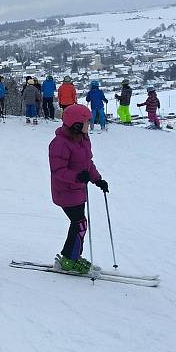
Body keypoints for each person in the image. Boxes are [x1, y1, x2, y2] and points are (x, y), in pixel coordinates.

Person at [48, 105, 108, 275]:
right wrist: (77, 177)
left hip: (78, 191)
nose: (89, 124)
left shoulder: (83, 139)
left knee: (79, 224)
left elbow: (88, 163)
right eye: (86, 122)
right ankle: (69, 259)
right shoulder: (59, 144)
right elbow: (58, 171)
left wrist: (98, 179)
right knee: (80, 224)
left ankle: (72, 256)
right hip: (65, 191)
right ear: (75, 124)